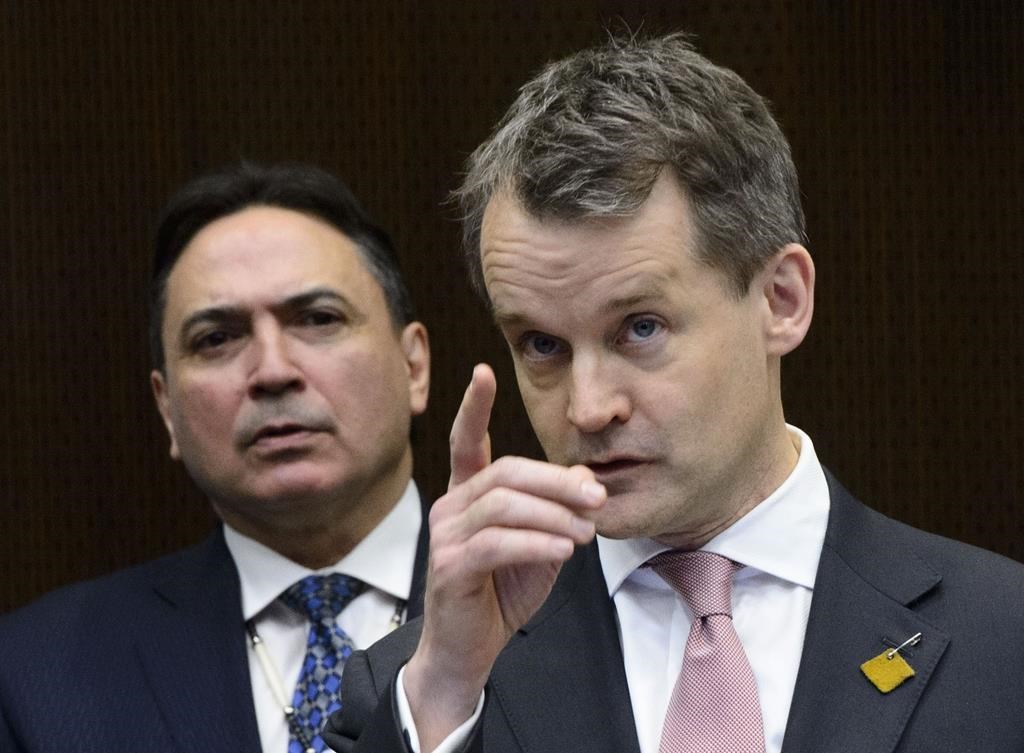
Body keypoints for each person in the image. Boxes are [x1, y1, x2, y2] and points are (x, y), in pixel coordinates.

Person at [323, 33, 1024, 753]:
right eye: (542, 345)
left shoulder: (1004, 639)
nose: (588, 408)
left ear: (781, 299)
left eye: (641, 327)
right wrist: (446, 690)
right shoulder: (418, 690)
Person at [0, 162, 433, 753]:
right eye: (216, 339)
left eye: (317, 319)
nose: (274, 371)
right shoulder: (35, 673)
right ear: (167, 409)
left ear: (414, 366)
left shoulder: (563, 601)